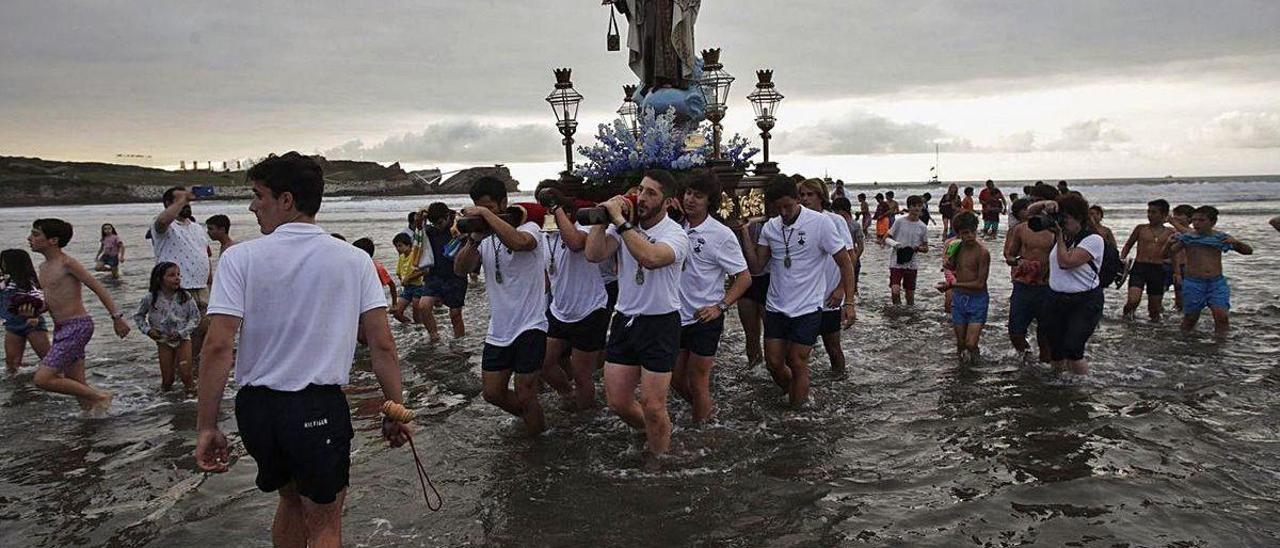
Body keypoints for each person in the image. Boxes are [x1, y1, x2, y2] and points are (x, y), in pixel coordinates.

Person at [194, 152, 410, 547]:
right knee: (325, 523)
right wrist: (396, 410)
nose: (252, 205)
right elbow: (382, 345)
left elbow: (217, 346)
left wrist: (206, 426)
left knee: (290, 503)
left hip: (257, 409)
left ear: (287, 200)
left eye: (258, 195)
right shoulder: (354, 260)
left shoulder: (240, 257)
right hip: (316, 408)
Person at [585, 170, 689, 452]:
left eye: (651, 193)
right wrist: (602, 219)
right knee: (617, 402)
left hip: (659, 323)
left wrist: (619, 222)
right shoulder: (625, 227)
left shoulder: (676, 234)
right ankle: (657, 432)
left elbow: (651, 258)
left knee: (654, 405)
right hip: (625, 320)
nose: (641, 198)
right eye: (641, 190)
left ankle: (659, 463)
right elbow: (593, 254)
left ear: (668, 202)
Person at [739, 176, 856, 407]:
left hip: (808, 305)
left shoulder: (821, 223)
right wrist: (744, 232)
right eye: (778, 208)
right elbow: (757, 267)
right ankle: (799, 394)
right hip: (776, 304)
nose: (783, 212)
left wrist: (848, 301)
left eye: (787, 206)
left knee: (797, 359)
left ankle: (796, 413)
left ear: (796, 198)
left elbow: (845, 262)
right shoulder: (771, 227)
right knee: (773, 361)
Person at [454, 176, 550, 435]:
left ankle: (537, 443)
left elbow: (520, 243)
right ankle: (535, 422)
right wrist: (473, 238)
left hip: (531, 324)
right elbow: (460, 269)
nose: (485, 214)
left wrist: (486, 215)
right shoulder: (483, 237)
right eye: (479, 207)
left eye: (490, 207)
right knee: (492, 393)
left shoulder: (529, 227)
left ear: (503, 203)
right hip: (499, 329)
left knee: (526, 392)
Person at [28, 218, 130, 413]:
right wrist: (35, 312)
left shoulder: (68, 263)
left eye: (35, 234)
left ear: (53, 240)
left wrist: (117, 318)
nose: (30, 238)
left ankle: (101, 396)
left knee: (42, 378)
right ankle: (97, 420)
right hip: (61, 328)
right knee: (78, 387)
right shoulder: (42, 268)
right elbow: (52, 300)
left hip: (77, 326)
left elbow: (97, 287)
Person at [674, 171, 751, 421]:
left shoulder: (720, 235)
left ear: (710, 201)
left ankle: (702, 433)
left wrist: (721, 306)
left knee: (698, 381)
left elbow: (744, 277)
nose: (691, 200)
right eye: (688, 193)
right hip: (676, 315)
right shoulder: (675, 228)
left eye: (698, 196)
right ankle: (707, 411)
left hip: (704, 318)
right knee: (676, 381)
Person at [541, 191, 610, 410]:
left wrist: (558, 209)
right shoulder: (544, 236)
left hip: (589, 310)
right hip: (559, 310)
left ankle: (585, 418)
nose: (548, 213)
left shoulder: (585, 228)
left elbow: (574, 243)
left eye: (551, 209)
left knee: (582, 375)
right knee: (541, 363)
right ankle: (566, 393)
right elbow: (547, 275)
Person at [1026, 194, 1104, 377]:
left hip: (1084, 301)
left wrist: (1059, 235)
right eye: (1061, 218)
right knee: (1056, 348)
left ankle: (1082, 386)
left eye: (1066, 219)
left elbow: (1066, 262)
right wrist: (1047, 203)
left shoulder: (1093, 240)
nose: (1062, 223)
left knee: (1074, 348)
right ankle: (1058, 383)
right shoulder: (1064, 235)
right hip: (1055, 299)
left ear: (1079, 218)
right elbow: (1030, 212)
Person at [1164, 206, 1253, 336]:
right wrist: (1168, 243)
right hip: (1194, 283)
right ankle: (1184, 343)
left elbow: (1248, 251)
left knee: (1222, 317)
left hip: (1216, 283)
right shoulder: (1188, 237)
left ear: (1213, 222)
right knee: (1190, 319)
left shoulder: (1220, 237)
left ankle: (1221, 346)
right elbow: (1166, 254)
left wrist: (1237, 243)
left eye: (1201, 220)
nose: (1196, 223)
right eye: (1194, 220)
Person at [798, 179, 856, 375]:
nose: (805, 199)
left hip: (829, 295)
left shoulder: (835, 220)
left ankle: (840, 382)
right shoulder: (797, 221)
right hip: (805, 297)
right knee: (801, 351)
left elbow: (850, 257)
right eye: (802, 195)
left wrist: (842, 289)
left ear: (821, 197)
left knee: (833, 347)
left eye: (810, 195)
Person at [153, 186, 212, 366]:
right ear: (168, 204)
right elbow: (163, 221)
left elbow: (203, 253)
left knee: (203, 328)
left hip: (200, 286)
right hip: (177, 288)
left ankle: (193, 368)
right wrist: (180, 201)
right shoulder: (164, 226)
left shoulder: (196, 227)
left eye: (187, 201)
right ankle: (179, 374)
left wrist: (210, 279)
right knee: (177, 334)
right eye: (180, 200)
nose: (186, 203)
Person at [133, 262, 200, 394]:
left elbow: (195, 318)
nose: (177, 278)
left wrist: (182, 332)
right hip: (163, 341)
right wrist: (148, 331)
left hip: (183, 339)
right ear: (159, 279)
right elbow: (138, 316)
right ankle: (163, 405)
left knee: (186, 376)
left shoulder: (185, 296)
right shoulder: (151, 298)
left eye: (178, 275)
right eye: (171, 275)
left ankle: (192, 400)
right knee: (167, 380)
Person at [1002, 197, 1054, 362]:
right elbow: (1009, 255)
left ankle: (1045, 367)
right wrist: (1020, 262)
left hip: (1047, 286)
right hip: (1023, 285)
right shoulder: (1020, 230)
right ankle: (1027, 356)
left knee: (1045, 334)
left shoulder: (1056, 230)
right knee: (1015, 331)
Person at [939, 211, 989, 363]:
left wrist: (952, 285)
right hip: (959, 298)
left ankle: (975, 365)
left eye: (972, 232)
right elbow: (950, 267)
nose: (970, 236)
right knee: (961, 343)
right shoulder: (956, 247)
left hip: (977, 299)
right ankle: (963, 372)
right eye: (965, 233)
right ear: (958, 234)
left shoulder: (983, 253)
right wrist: (948, 265)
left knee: (970, 343)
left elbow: (980, 283)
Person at [1120, 199, 1175, 321]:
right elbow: (1128, 245)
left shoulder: (1171, 232)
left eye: (1154, 212)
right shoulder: (1141, 228)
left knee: (1154, 309)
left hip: (1158, 269)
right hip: (1139, 267)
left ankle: (1152, 333)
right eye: (1148, 212)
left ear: (1163, 214)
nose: (1150, 215)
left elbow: (1176, 253)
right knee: (1133, 301)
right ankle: (1126, 321)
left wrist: (1176, 270)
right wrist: (1122, 259)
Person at [420, 203, 467, 339]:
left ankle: (459, 342)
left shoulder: (459, 228)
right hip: (435, 275)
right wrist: (421, 217)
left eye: (440, 222)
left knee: (455, 314)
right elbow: (417, 231)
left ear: (447, 216)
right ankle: (434, 336)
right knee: (423, 306)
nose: (437, 226)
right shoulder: (430, 230)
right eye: (434, 223)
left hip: (456, 276)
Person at [2, 249, 50, 374]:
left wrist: (35, 315)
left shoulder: (27, 283)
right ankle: (20, 388)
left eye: (3, 262)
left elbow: (40, 299)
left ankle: (61, 377)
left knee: (48, 359)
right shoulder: (6, 282)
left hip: (32, 324)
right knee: (11, 363)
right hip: (12, 325)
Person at [886, 195, 930, 306]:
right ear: (908, 207)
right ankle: (897, 313)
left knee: (910, 297)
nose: (916, 208)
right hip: (896, 261)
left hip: (912, 263)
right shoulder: (899, 222)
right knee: (895, 291)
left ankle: (909, 317)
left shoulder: (922, 227)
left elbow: (926, 248)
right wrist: (895, 244)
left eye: (919, 206)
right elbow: (886, 237)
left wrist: (918, 248)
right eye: (914, 206)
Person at [352, 238, 397, 311]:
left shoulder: (377, 267)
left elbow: (391, 285)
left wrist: (394, 304)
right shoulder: (354, 267)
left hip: (374, 302)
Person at [831, 196, 865, 293]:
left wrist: (853, 259)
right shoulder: (833, 223)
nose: (835, 214)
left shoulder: (854, 225)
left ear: (843, 210)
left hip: (852, 258)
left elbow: (861, 246)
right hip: (838, 260)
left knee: (852, 286)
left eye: (836, 211)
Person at [390, 233, 425, 326]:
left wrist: (409, 278)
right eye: (396, 246)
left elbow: (423, 271)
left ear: (408, 245)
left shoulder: (415, 255)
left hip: (418, 287)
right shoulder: (401, 257)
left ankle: (419, 332)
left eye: (400, 246)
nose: (398, 248)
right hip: (407, 288)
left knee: (417, 315)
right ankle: (410, 326)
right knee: (397, 313)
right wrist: (402, 279)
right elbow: (399, 272)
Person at [1168, 204, 1195, 311]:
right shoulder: (1171, 231)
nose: (1175, 217)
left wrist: (1172, 222)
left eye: (1179, 215)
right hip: (1168, 265)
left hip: (1184, 266)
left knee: (1181, 295)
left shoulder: (1193, 232)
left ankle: (1180, 312)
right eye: (1174, 214)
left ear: (1189, 218)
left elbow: (1190, 234)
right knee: (1158, 292)